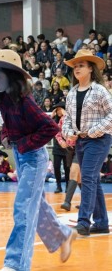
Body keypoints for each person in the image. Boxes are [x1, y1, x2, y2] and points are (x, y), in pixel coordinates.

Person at [0, 49, 76, 271]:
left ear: (11, 75)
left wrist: (22, 144)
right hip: (22, 158)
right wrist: (5, 136)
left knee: (22, 209)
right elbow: (8, 124)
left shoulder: (26, 101)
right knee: (36, 204)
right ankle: (63, 236)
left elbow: (50, 127)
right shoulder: (4, 98)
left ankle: (15, 265)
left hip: (34, 158)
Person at [62, 49, 112, 235]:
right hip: (81, 142)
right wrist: (69, 133)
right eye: (75, 66)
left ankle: (83, 222)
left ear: (91, 68)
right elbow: (67, 118)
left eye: (81, 65)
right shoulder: (72, 93)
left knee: (88, 177)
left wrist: (92, 131)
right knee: (93, 180)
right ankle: (100, 223)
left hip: (99, 140)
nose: (77, 68)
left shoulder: (100, 90)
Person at [51, 102, 71, 193]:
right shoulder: (55, 120)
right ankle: (58, 186)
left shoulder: (68, 119)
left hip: (67, 146)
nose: (58, 111)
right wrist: (52, 116)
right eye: (57, 109)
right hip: (57, 146)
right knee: (56, 167)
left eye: (60, 109)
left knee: (67, 168)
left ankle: (67, 186)